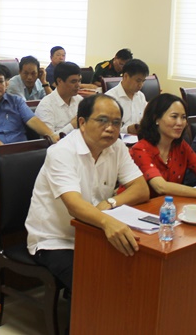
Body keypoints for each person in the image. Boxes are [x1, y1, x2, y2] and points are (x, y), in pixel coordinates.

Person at [26, 94, 149, 293]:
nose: (110, 128)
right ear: (82, 123)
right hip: (56, 240)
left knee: (136, 268)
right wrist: (107, 222)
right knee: (96, 282)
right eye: (102, 120)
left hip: (94, 232)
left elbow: (141, 189)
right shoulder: (62, 152)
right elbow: (74, 205)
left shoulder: (117, 147)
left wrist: (110, 203)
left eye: (116, 123)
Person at [0, 64, 57, 147]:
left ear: (6, 85)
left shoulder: (16, 101)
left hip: (22, 151)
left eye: (0, 81)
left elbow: (33, 120)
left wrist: (52, 136)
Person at [34, 61, 83, 135]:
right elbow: (49, 138)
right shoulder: (46, 106)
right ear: (59, 81)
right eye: (73, 81)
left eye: (79, 81)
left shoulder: (80, 100)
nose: (78, 85)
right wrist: (72, 126)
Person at [104, 58, 149, 134]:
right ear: (126, 76)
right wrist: (128, 129)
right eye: (138, 81)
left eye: (143, 81)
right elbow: (106, 127)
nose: (141, 85)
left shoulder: (140, 96)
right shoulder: (110, 98)